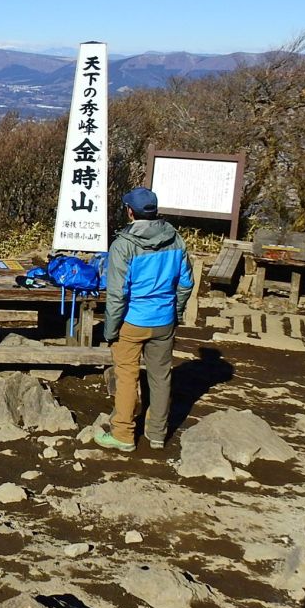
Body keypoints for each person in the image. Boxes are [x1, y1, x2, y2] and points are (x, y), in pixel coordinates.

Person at [94, 187, 193, 453]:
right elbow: (185, 283)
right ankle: (158, 434)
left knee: (127, 377)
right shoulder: (176, 240)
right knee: (161, 377)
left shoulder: (123, 246)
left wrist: (110, 330)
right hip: (164, 320)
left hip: (132, 321)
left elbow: (117, 294)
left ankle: (123, 435)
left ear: (129, 211)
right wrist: (176, 313)